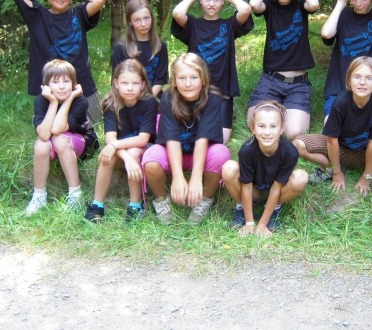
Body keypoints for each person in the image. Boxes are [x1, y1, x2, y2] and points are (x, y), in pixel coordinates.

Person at [294, 57, 372, 194]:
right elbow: (332, 140)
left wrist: (367, 175)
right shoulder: (341, 102)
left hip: (368, 151)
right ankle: (329, 168)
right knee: (298, 144)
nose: (362, 82)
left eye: (368, 78)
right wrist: (337, 172)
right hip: (340, 149)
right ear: (349, 80)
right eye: (357, 77)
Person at [142, 53, 230, 226]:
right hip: (173, 153)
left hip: (201, 154)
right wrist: (178, 176)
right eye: (182, 78)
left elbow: (203, 139)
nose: (188, 84)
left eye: (194, 78)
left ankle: (204, 201)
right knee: (150, 158)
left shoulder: (212, 97)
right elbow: (172, 139)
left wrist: (196, 178)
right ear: (174, 80)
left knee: (221, 154)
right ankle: (162, 202)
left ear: (203, 79)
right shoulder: (168, 97)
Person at [13, 0, 106, 124]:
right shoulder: (38, 17)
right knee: (53, 128)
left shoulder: (79, 13)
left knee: (95, 124)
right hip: (52, 86)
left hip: (82, 83)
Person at [247, 0, 320, 139]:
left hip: (298, 84)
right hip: (270, 80)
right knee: (254, 122)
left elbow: (314, 4)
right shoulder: (269, 4)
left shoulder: (301, 4)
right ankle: (277, 111)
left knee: (292, 132)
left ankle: (286, 111)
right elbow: (254, 4)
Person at [171, 0, 253, 143]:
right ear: (200, 0)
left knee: (221, 140)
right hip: (196, 92)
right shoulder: (193, 25)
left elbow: (245, 10)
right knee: (193, 136)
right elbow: (178, 13)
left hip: (223, 92)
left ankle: (228, 112)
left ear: (222, 1)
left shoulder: (229, 25)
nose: (211, 3)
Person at [84, 60, 157, 223]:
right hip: (121, 150)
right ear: (116, 83)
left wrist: (121, 150)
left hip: (145, 150)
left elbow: (143, 139)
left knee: (134, 151)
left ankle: (135, 205)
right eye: (124, 83)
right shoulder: (111, 103)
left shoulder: (149, 102)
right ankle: (97, 205)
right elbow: (110, 139)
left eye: (135, 83)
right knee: (108, 156)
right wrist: (126, 157)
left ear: (143, 84)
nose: (130, 88)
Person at [222, 101, 308, 236]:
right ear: (253, 128)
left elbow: (276, 187)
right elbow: (246, 186)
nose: (267, 132)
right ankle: (241, 209)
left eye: (273, 126)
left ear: (282, 129)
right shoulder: (247, 150)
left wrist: (262, 224)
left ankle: (274, 209)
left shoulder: (290, 152)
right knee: (229, 168)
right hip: (254, 192)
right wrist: (250, 223)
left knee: (301, 177)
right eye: (261, 126)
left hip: (279, 191)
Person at [26, 60, 99, 216]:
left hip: (81, 141)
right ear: (46, 85)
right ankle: (39, 197)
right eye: (55, 82)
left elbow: (57, 129)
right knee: (41, 145)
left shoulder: (80, 101)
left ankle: (76, 195)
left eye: (66, 81)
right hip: (53, 140)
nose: (61, 86)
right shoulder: (41, 100)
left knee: (59, 139)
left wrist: (70, 99)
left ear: (74, 84)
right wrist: (53, 102)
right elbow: (44, 135)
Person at [113, 0, 168, 97]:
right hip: (128, 98)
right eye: (137, 20)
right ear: (130, 21)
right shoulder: (121, 47)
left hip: (153, 98)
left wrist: (147, 100)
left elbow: (160, 80)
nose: (143, 24)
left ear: (152, 18)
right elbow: (117, 79)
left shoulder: (160, 46)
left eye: (146, 18)